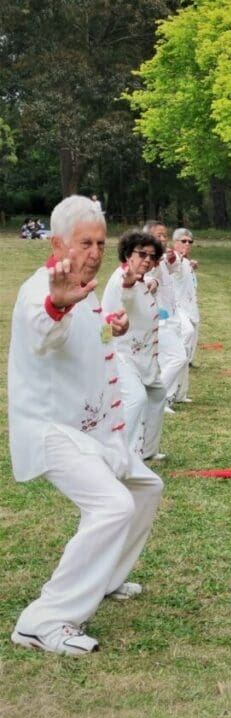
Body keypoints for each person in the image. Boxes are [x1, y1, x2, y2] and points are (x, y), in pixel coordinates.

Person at [8, 195, 164, 655]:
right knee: (114, 505)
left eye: (100, 241)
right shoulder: (42, 289)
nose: (95, 251)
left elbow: (80, 339)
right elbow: (43, 330)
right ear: (57, 243)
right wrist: (56, 306)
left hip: (93, 431)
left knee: (146, 488)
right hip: (52, 429)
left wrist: (108, 328)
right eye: (84, 242)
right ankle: (44, 620)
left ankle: (107, 577)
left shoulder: (84, 287)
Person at [101, 230, 167, 460]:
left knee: (158, 394)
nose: (147, 260)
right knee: (136, 398)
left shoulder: (140, 279)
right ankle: (121, 457)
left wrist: (153, 280)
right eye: (142, 254)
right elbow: (124, 296)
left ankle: (148, 450)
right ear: (128, 254)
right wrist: (130, 285)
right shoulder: (123, 280)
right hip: (121, 354)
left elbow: (143, 286)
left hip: (144, 357)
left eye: (152, 256)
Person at [143, 221, 188, 413]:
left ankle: (166, 397)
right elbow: (142, 276)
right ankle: (157, 398)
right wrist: (150, 281)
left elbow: (174, 267)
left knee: (174, 359)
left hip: (171, 316)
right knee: (178, 358)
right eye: (158, 235)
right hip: (160, 318)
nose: (163, 238)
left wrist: (171, 259)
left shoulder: (160, 258)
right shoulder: (148, 259)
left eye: (164, 235)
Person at [170, 228, 200, 391]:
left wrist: (190, 263)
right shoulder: (172, 258)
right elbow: (172, 264)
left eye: (190, 241)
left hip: (191, 306)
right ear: (174, 242)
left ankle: (181, 392)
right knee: (185, 337)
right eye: (183, 241)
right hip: (177, 308)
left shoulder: (187, 261)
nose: (187, 244)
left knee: (190, 343)